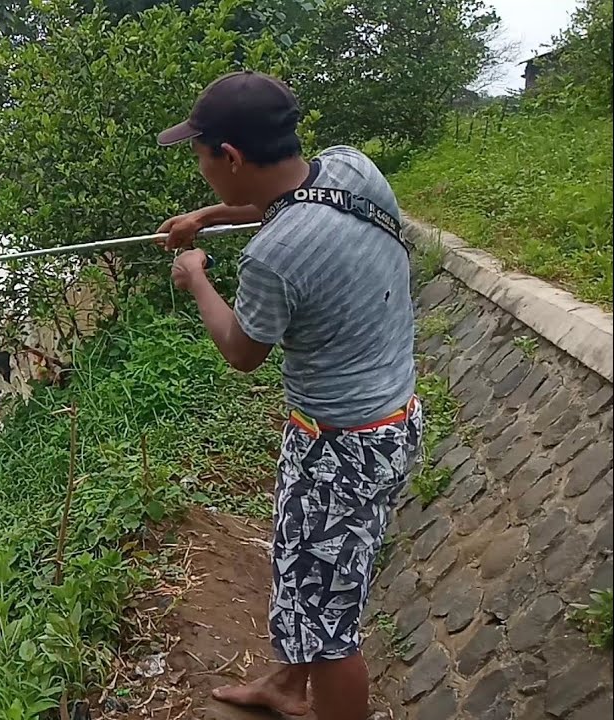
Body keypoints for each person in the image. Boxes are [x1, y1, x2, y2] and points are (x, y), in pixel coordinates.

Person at [154, 70, 422, 720]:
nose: (202, 171)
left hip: (341, 448)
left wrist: (196, 280)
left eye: (201, 159)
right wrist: (210, 215)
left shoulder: (273, 258)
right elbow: (293, 199)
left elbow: (244, 352)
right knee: (315, 581)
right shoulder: (350, 168)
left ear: (232, 157)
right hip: (392, 419)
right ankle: (283, 686)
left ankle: (314, 688)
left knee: (330, 632)